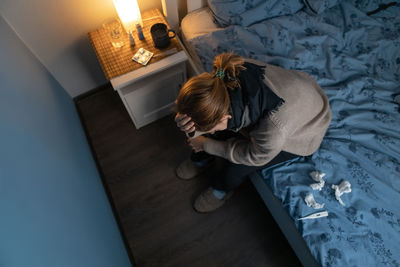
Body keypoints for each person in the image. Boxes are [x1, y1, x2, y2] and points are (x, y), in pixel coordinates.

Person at [174, 53, 331, 213]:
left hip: (305, 129)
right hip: (292, 92)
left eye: (208, 128)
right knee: (214, 133)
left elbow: (252, 155)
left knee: (237, 167)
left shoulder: (274, 128)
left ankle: (221, 189)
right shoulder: (220, 78)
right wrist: (186, 122)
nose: (201, 132)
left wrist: (206, 144)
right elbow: (200, 103)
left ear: (225, 117)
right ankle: (202, 160)